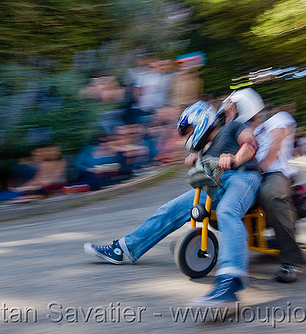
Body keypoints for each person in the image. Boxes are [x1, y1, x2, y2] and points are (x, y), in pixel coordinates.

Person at [85, 95, 264, 308]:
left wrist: (235, 158)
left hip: (243, 177)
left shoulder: (233, 126)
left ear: (201, 121)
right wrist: (198, 160)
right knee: (171, 208)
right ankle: (123, 249)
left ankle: (229, 284)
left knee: (227, 211)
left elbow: (250, 143)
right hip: (216, 183)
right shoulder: (206, 148)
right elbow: (207, 164)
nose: (187, 137)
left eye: (188, 131)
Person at [248, 102, 304, 283]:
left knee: (270, 195)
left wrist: (259, 169)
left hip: (275, 172)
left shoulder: (277, 119)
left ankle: (291, 261)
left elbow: (275, 148)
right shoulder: (248, 130)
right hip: (252, 172)